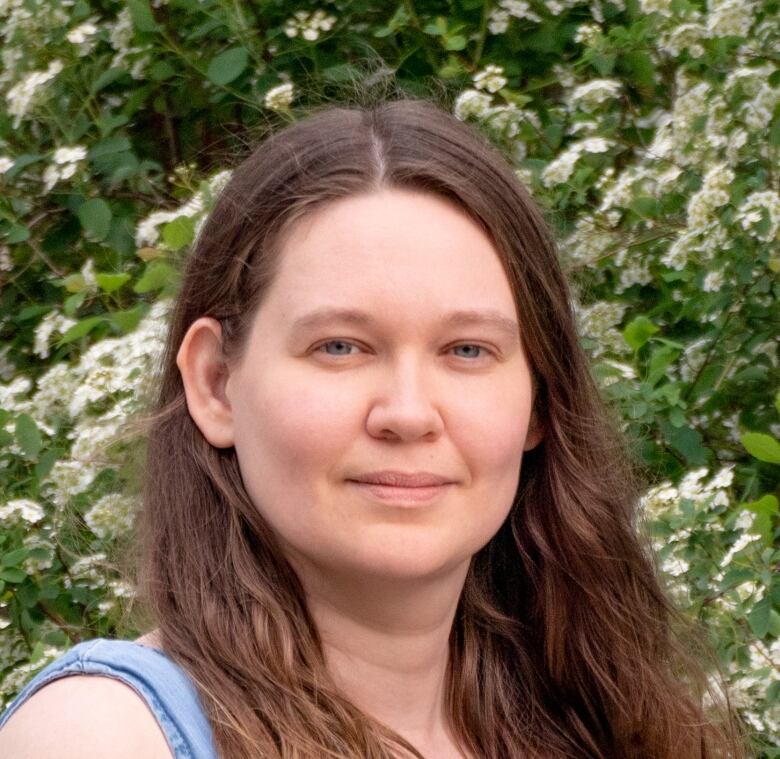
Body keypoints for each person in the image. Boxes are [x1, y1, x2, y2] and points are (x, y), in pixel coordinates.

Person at [0, 97, 745, 759]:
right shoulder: (105, 734)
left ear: (540, 402)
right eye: (341, 347)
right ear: (216, 383)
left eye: (467, 350)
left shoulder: (607, 724)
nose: (409, 413)